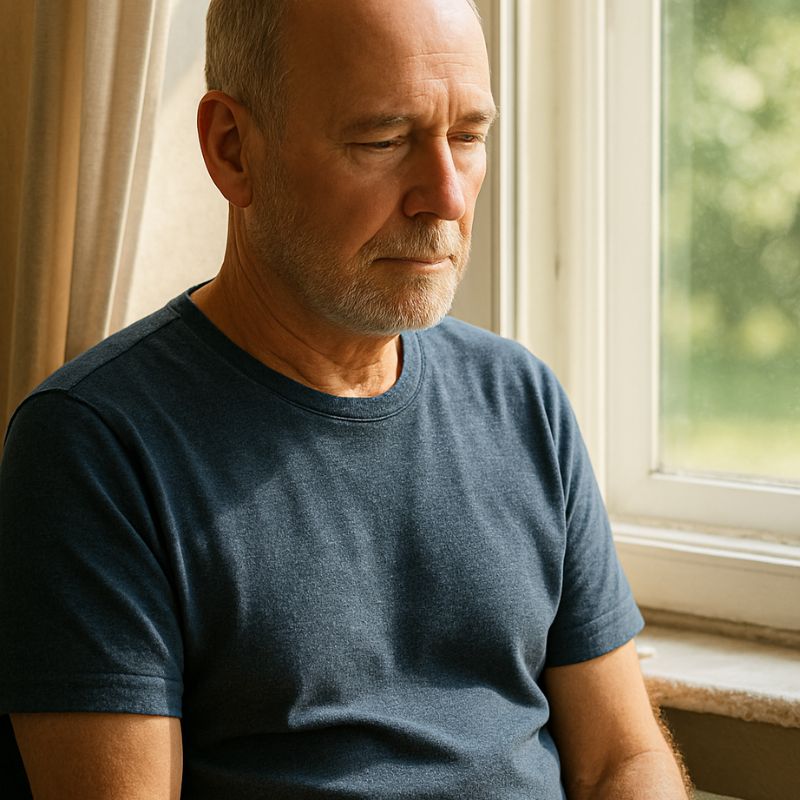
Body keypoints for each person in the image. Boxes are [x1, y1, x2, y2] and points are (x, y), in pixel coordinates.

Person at [0, 0, 690, 797]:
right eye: (383, 140)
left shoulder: (521, 399)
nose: (447, 197)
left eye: (468, 137)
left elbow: (622, 759)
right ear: (232, 151)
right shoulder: (95, 446)